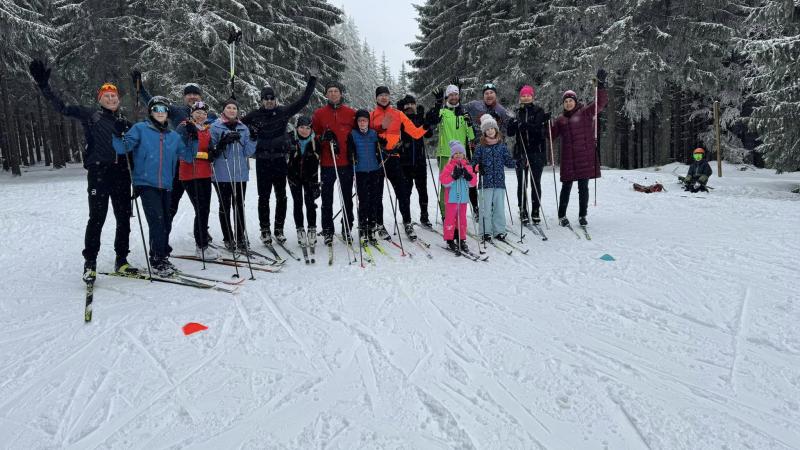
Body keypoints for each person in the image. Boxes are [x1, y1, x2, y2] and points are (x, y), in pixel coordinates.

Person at [29, 59, 136, 280]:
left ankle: (122, 260)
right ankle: (90, 262)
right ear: (100, 99)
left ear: (118, 99)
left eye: (114, 96)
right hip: (99, 173)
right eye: (106, 96)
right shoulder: (91, 115)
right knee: (97, 218)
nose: (110, 98)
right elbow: (63, 108)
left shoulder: (125, 121)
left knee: (124, 218)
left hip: (122, 174)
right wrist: (44, 87)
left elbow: (136, 148)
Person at [131, 71, 216, 244]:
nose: (192, 97)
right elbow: (155, 105)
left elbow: (221, 123)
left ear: (200, 96)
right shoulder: (177, 111)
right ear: (184, 97)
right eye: (189, 94)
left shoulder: (208, 115)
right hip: (177, 166)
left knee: (201, 205)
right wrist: (141, 88)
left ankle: (201, 232)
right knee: (171, 204)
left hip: (199, 165)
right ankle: (162, 238)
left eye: (195, 94)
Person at [113, 96, 191, 276]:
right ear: (151, 111)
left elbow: (187, 156)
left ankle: (162, 255)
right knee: (157, 221)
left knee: (166, 222)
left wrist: (191, 138)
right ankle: (157, 259)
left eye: (163, 109)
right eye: (156, 109)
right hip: (146, 183)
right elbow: (122, 148)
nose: (160, 112)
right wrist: (117, 134)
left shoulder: (173, 136)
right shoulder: (140, 128)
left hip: (167, 184)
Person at [242, 73, 317, 246]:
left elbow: (302, 101)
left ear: (276, 99)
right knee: (264, 197)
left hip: (279, 161)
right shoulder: (254, 115)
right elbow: (236, 124)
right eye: (266, 98)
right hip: (262, 161)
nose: (269, 101)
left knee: (281, 197)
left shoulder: (282, 112)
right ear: (261, 100)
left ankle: (278, 229)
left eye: (272, 98)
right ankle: (265, 230)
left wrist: (312, 80)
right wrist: (250, 132)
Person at [369, 86, 430, 240]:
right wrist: (378, 134)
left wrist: (426, 126)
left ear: (389, 97)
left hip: (394, 157)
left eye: (386, 95)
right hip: (378, 158)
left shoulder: (398, 114)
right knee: (377, 193)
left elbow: (415, 133)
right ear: (376, 98)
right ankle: (380, 224)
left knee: (402, 192)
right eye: (381, 95)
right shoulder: (371, 115)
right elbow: (366, 133)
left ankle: (407, 223)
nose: (383, 98)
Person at [550, 69, 608, 227]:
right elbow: (550, 136)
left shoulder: (585, 112)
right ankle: (562, 215)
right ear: (563, 104)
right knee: (566, 188)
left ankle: (583, 215)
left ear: (575, 101)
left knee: (583, 188)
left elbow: (600, 103)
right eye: (565, 101)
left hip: (584, 158)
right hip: (569, 160)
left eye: (570, 100)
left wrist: (601, 86)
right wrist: (546, 123)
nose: (568, 103)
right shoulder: (560, 120)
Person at [311, 81, 357, 246]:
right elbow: (313, 135)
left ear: (341, 93)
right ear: (326, 94)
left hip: (346, 162)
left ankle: (347, 228)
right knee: (327, 199)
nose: (333, 94)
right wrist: (322, 137)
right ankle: (328, 231)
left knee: (347, 198)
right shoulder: (319, 113)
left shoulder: (351, 113)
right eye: (329, 91)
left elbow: (358, 133)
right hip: (327, 163)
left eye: (336, 91)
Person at [210, 98, 257, 252]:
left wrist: (254, 139)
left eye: (234, 108)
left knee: (239, 207)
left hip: (239, 173)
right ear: (224, 110)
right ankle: (228, 238)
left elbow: (247, 152)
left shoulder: (243, 128)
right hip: (222, 173)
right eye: (228, 107)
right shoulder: (215, 127)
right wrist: (223, 142)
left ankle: (241, 237)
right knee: (225, 206)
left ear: (237, 111)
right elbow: (212, 151)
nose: (231, 110)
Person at [175, 101, 220, 260]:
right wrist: (203, 154)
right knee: (200, 209)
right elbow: (183, 153)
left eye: (203, 113)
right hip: (189, 173)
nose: (200, 115)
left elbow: (210, 149)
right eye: (197, 112)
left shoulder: (206, 129)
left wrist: (213, 151)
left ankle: (203, 244)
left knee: (205, 208)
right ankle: (201, 246)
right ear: (191, 113)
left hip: (205, 173)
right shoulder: (184, 126)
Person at [425, 83, 475, 219]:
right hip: (446, 154)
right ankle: (445, 213)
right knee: (446, 184)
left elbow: (471, 136)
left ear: (459, 96)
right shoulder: (443, 112)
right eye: (451, 94)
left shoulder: (464, 113)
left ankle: (458, 212)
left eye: (456, 94)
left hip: (461, 156)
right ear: (447, 96)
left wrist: (469, 124)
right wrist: (437, 103)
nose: (454, 97)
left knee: (460, 184)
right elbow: (431, 120)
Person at [471, 115, 517, 241]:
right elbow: (473, 163)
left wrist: (518, 162)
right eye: (487, 129)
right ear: (484, 131)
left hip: (499, 182)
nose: (490, 130)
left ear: (496, 130)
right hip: (485, 183)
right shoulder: (480, 146)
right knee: (485, 209)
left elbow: (508, 161)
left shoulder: (501, 146)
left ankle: (499, 231)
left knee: (499, 208)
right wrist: (477, 167)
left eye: (492, 128)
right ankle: (485, 231)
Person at [507, 85, 548, 225]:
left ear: (532, 96)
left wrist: (524, 125)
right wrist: (512, 124)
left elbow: (538, 129)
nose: (526, 97)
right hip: (521, 151)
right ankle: (522, 209)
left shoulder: (538, 111)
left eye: (528, 95)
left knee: (535, 182)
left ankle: (535, 210)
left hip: (536, 151)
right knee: (522, 183)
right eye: (523, 95)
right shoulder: (517, 112)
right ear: (520, 98)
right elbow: (510, 133)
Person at [397, 95, 434, 228]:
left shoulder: (420, 118)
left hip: (420, 161)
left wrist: (425, 120)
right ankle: (406, 219)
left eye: (412, 104)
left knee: (422, 190)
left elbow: (429, 134)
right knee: (406, 192)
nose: (410, 107)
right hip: (404, 162)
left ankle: (424, 216)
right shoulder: (400, 119)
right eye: (407, 105)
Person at [348, 109, 384, 245]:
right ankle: (363, 228)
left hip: (374, 170)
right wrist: (352, 156)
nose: (362, 123)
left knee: (374, 200)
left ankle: (371, 228)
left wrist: (383, 145)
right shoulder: (352, 134)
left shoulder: (374, 134)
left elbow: (379, 147)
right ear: (357, 122)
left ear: (368, 122)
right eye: (360, 121)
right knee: (363, 201)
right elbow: (349, 150)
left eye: (365, 120)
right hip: (360, 171)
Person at [287, 116, 321, 246]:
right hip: (294, 177)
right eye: (301, 127)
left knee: (310, 203)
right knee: (298, 202)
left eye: (307, 128)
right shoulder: (290, 138)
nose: (304, 130)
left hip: (310, 177)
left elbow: (322, 157)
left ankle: (312, 229)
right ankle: (300, 229)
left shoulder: (315, 140)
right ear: (297, 128)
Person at [439, 141, 477, 252]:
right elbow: (443, 181)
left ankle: (461, 239)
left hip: (463, 199)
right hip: (451, 199)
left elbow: (473, 183)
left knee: (462, 220)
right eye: (456, 153)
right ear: (452, 155)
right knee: (450, 219)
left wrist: (469, 177)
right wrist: (453, 177)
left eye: (461, 153)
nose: (459, 155)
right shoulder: (449, 166)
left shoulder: (468, 167)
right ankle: (449, 240)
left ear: (464, 155)